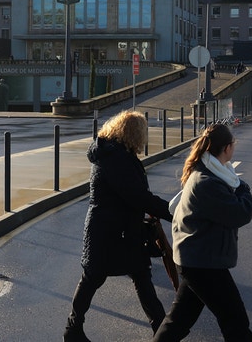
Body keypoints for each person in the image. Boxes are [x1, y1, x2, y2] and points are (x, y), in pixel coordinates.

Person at [64, 110, 173, 341]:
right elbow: (138, 196)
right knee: (94, 277)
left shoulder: (114, 154)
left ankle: (162, 332)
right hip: (109, 233)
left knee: (139, 276)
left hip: (118, 231)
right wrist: (173, 211)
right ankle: (73, 330)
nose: (145, 138)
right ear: (133, 134)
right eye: (143, 133)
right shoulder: (116, 159)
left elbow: (136, 196)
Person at [153, 123, 252, 342]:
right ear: (227, 148)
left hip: (197, 259)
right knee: (235, 321)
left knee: (178, 322)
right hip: (203, 262)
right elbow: (240, 213)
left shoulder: (210, 172)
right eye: (233, 145)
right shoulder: (207, 181)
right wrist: (244, 189)